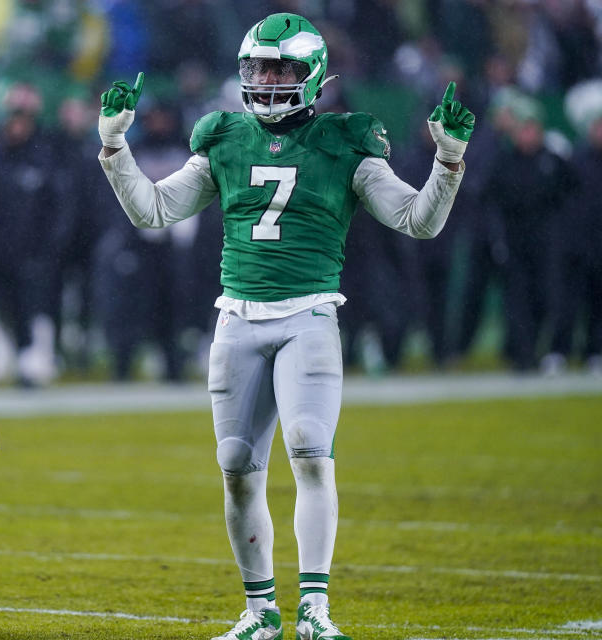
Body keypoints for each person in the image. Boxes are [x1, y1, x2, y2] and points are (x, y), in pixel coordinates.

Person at [97, 13, 473, 640]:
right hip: (237, 317)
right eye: (259, 67)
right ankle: (260, 610)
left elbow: (418, 221)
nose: (268, 80)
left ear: (313, 74)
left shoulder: (347, 139)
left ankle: (316, 610)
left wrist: (448, 163)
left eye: (281, 68)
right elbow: (153, 209)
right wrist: (114, 148)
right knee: (236, 464)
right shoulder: (224, 136)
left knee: (309, 450)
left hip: (308, 315)